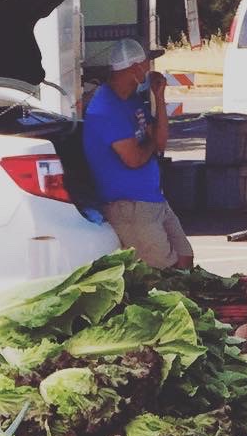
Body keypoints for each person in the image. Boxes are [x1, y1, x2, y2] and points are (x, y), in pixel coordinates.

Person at [82, 38, 193, 269]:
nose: (148, 69)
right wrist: (151, 142)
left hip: (152, 198)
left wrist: (159, 97)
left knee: (184, 258)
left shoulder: (132, 101)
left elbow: (160, 142)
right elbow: (134, 158)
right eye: (145, 64)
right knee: (166, 272)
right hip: (131, 207)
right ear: (134, 68)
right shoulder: (106, 108)